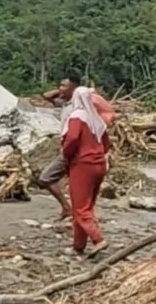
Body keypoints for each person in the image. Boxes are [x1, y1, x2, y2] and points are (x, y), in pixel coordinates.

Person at [39, 74, 116, 219]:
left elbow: (74, 137)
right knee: (76, 185)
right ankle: (77, 212)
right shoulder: (65, 103)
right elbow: (46, 96)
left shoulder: (80, 111)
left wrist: (67, 153)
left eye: (64, 86)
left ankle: (74, 211)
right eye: (60, 85)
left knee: (47, 177)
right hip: (77, 151)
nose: (61, 88)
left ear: (74, 88)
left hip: (75, 151)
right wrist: (62, 91)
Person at [62, 87, 111, 255]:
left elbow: (72, 139)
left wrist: (66, 155)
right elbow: (106, 144)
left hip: (82, 164)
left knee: (80, 207)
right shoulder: (96, 118)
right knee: (87, 206)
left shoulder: (77, 117)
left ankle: (98, 239)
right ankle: (78, 245)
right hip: (99, 164)